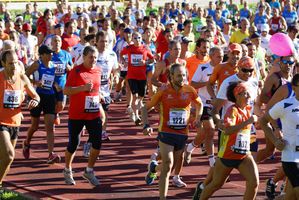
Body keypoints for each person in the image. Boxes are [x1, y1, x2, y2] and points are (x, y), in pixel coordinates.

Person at [142, 63, 203, 200]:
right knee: (168, 164)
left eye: (183, 75)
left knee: (169, 165)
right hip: (166, 132)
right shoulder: (164, 91)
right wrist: (146, 125)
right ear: (171, 77)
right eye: (178, 76)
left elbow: (200, 104)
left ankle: (153, 169)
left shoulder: (190, 90)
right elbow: (145, 108)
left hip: (182, 134)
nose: (182, 78)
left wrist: (198, 117)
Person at [196, 82, 259, 200]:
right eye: (245, 94)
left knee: (254, 183)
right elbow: (228, 131)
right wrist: (247, 122)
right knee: (216, 184)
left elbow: (246, 133)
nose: (248, 96)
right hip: (227, 156)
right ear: (237, 96)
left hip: (244, 155)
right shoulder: (232, 111)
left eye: (248, 93)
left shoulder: (248, 110)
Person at [62, 46, 105, 186]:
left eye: (95, 57)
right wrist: (82, 88)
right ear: (84, 57)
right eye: (91, 57)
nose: (93, 60)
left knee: (97, 143)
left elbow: (97, 89)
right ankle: (67, 169)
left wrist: (100, 96)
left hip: (93, 113)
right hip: (77, 114)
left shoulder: (98, 71)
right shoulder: (76, 71)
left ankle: (89, 170)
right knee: (73, 144)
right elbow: (66, 91)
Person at [0, 50, 40, 189]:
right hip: (1, 123)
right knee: (10, 155)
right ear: (3, 63)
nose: (14, 66)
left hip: (15, 123)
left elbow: (35, 96)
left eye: (16, 63)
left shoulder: (22, 78)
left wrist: (34, 101)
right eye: (10, 63)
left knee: (6, 160)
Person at [259, 73, 299, 200]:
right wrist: (275, 140)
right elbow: (263, 121)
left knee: (291, 197)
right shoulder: (285, 104)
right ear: (294, 87)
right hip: (291, 158)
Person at [23, 45, 61, 164]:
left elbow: (52, 80)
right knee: (35, 126)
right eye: (49, 53)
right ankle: (26, 142)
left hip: (49, 96)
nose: (51, 55)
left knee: (50, 127)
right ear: (43, 55)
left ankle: (51, 154)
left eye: (51, 53)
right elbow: (24, 76)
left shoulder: (53, 66)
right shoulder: (37, 64)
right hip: (37, 96)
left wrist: (55, 85)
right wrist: (35, 82)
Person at [120, 31, 154, 125]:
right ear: (132, 39)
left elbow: (152, 59)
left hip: (142, 76)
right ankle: (136, 116)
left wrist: (145, 63)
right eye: (135, 38)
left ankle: (136, 110)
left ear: (141, 39)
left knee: (141, 97)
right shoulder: (129, 48)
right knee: (135, 96)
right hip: (131, 76)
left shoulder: (145, 48)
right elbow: (121, 54)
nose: (137, 40)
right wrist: (124, 62)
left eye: (139, 38)